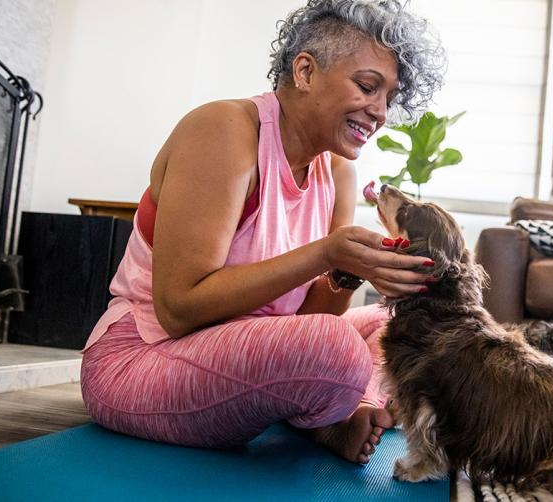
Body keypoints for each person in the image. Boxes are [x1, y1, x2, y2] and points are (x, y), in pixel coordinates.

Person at [80, 0, 446, 464]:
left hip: (254, 350)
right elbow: (178, 308)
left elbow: (312, 317)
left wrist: (352, 271)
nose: (379, 112)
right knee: (334, 354)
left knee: (398, 327)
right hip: (143, 358)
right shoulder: (224, 129)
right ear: (306, 71)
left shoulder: (337, 170)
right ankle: (327, 413)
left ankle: (335, 412)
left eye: (388, 99)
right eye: (368, 87)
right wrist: (326, 253)